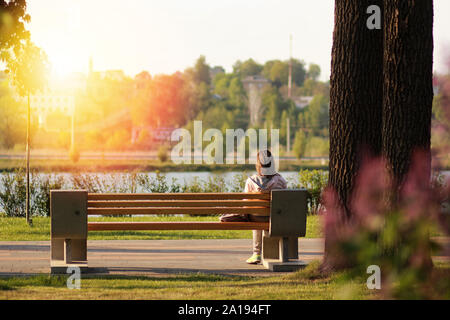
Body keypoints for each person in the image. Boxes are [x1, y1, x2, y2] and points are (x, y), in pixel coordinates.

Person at [220, 149, 287, 264]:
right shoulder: (281, 180)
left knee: (255, 213)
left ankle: (256, 253)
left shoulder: (251, 181)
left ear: (258, 165)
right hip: (274, 218)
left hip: (255, 217)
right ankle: (271, 252)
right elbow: (284, 201)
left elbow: (246, 203)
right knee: (268, 214)